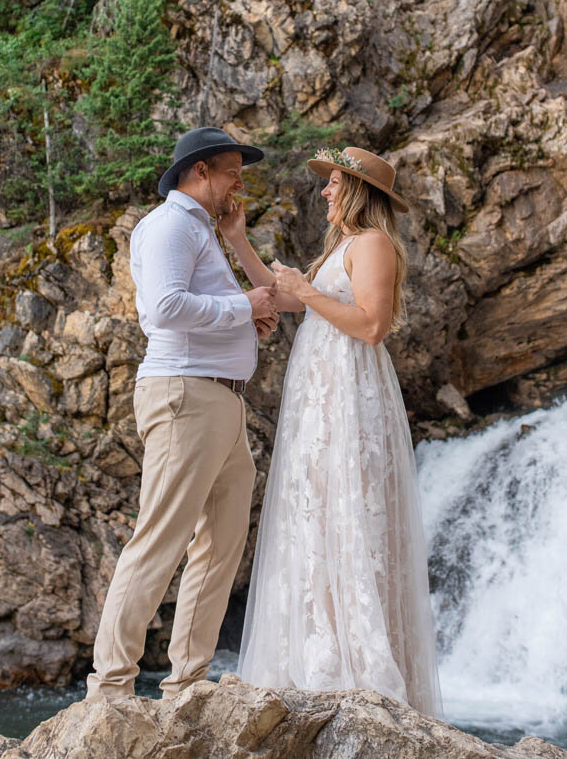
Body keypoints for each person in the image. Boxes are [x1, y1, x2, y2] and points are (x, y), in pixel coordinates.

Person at [221, 145, 442, 718]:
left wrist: (311, 290)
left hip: (351, 392)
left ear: (358, 193)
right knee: (314, 509)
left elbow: (371, 326)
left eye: (335, 184)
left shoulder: (372, 245)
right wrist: (239, 239)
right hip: (320, 396)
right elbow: (282, 296)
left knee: (349, 508)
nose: (324, 191)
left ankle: (354, 662)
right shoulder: (341, 247)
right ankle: (317, 650)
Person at [85, 127, 279, 702]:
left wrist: (246, 319)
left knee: (221, 544)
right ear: (199, 172)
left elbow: (201, 307)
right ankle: (111, 687)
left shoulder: (201, 230)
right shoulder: (170, 224)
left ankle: (187, 682)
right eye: (231, 172)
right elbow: (163, 309)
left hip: (218, 401)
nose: (239, 182)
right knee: (160, 538)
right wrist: (243, 305)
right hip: (185, 396)